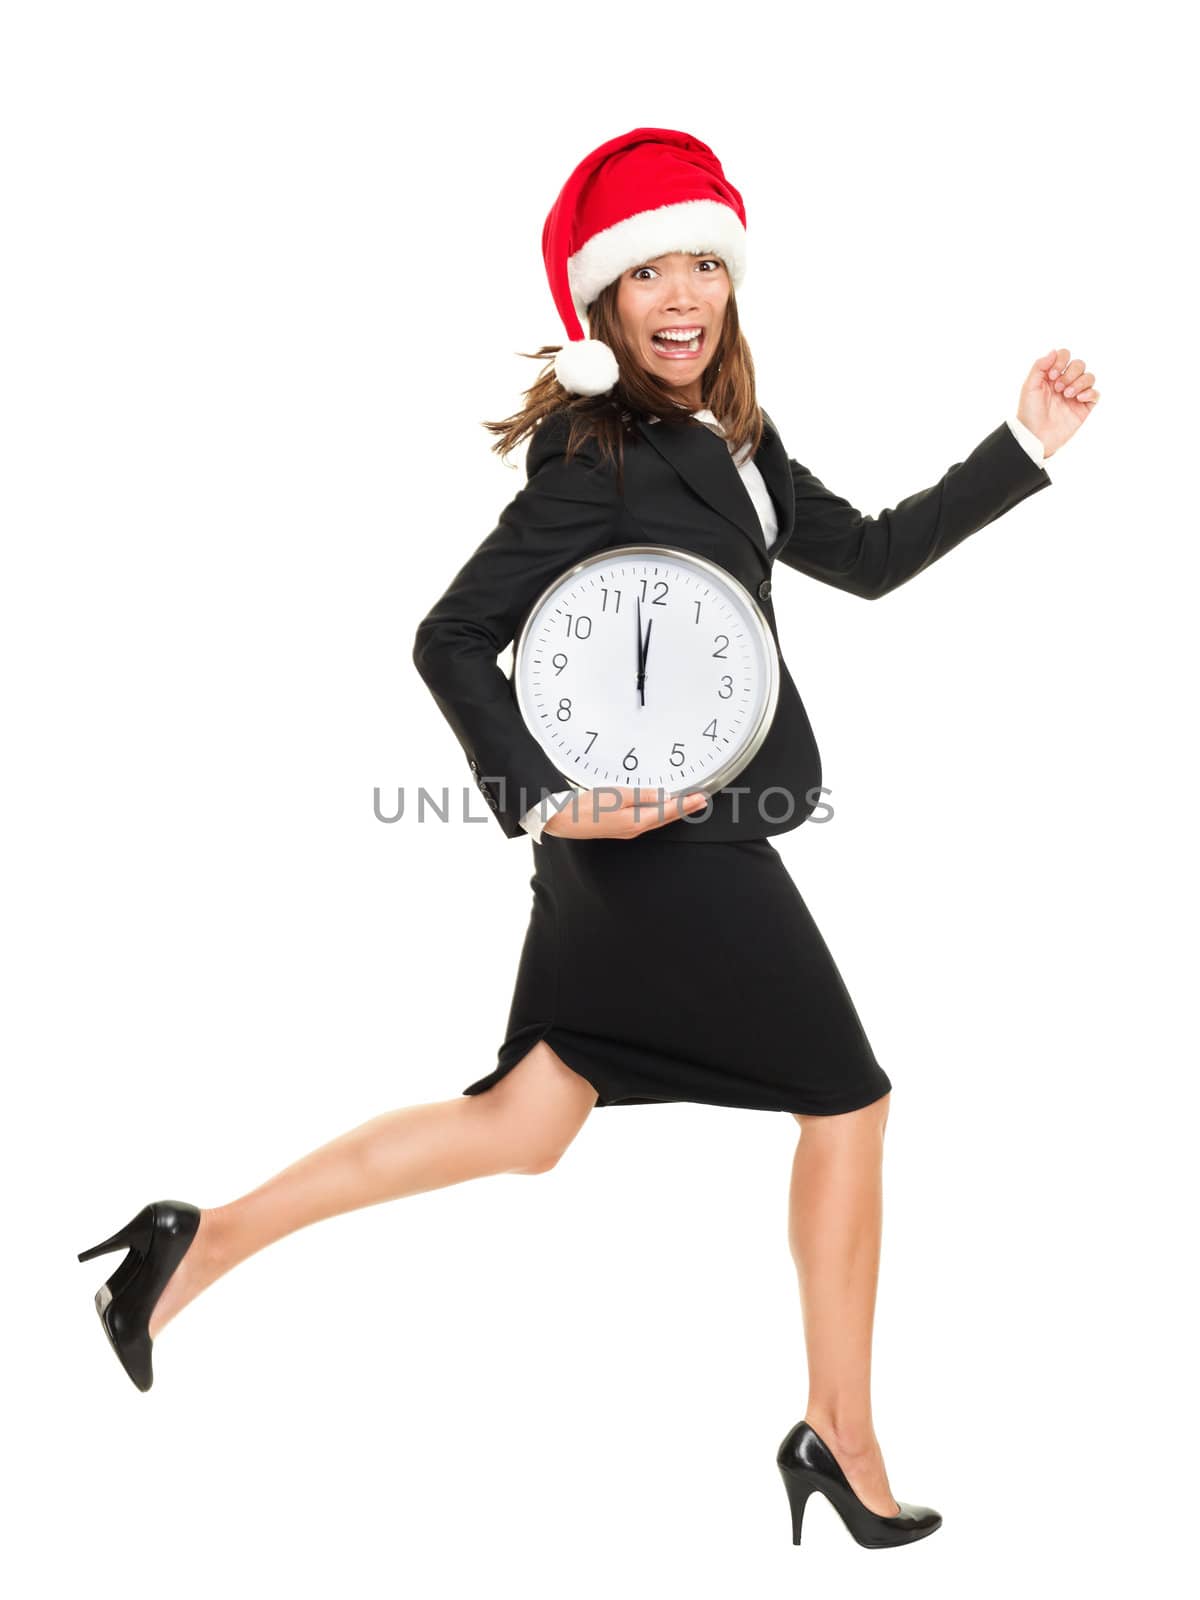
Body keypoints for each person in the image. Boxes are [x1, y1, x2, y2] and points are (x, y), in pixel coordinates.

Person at [76, 127, 1098, 1550]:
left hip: (647, 844)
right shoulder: (596, 457)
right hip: (666, 843)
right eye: (649, 272)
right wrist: (549, 796)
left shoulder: (733, 447)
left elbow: (864, 558)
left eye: (704, 265)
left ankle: (198, 1240)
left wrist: (1024, 446)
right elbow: (447, 639)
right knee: (849, 1101)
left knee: (526, 1122)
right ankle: (839, 1433)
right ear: (604, 304)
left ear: (726, 286)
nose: (682, 294)